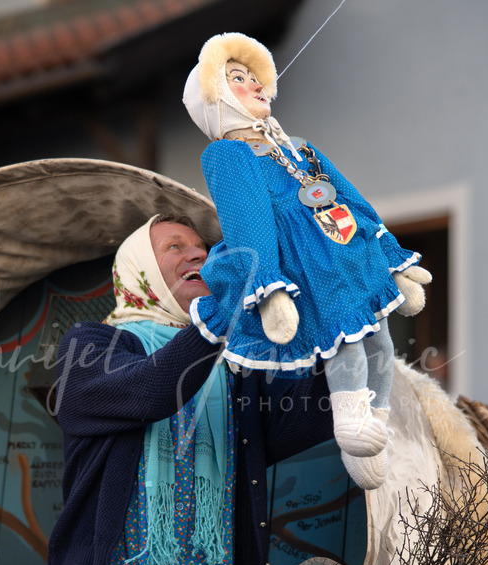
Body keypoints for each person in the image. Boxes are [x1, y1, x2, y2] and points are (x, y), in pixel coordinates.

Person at [36, 214, 334, 565]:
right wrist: (218, 321)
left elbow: (311, 416)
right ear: (141, 270)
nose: (199, 254)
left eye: (202, 246)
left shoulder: (235, 367)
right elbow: (150, 389)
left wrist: (340, 318)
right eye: (176, 247)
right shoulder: (91, 344)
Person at [181, 33, 432, 489]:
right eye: (238, 79)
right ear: (215, 100)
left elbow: (350, 200)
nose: (257, 86)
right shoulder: (228, 154)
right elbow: (247, 222)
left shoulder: (299, 146)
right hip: (306, 270)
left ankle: (376, 422)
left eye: (256, 78)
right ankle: (351, 421)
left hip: (344, 255)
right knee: (346, 343)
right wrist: (269, 289)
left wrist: (392, 258)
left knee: (382, 346)